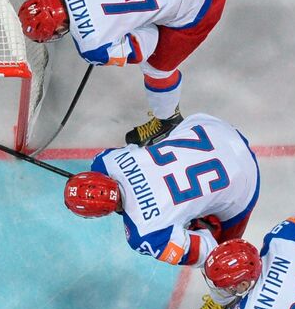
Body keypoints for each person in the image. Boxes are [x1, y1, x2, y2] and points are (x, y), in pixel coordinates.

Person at [19, 0, 227, 145]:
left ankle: (168, 120)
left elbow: (150, 43)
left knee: (157, 67)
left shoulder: (92, 45)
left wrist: (129, 22)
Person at [61, 113, 260, 284]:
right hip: (214, 128)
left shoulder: (145, 234)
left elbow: (207, 251)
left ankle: (223, 299)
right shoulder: (105, 160)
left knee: (223, 266)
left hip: (244, 180)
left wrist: (193, 228)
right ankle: (167, 122)